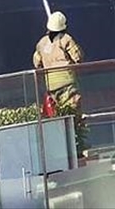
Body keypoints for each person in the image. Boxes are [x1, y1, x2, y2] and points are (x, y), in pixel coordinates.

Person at [33, 11, 87, 152]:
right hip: (67, 84)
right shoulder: (66, 39)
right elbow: (78, 57)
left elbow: (36, 63)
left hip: (51, 87)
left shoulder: (41, 43)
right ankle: (78, 148)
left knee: (57, 118)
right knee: (74, 115)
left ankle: (61, 148)